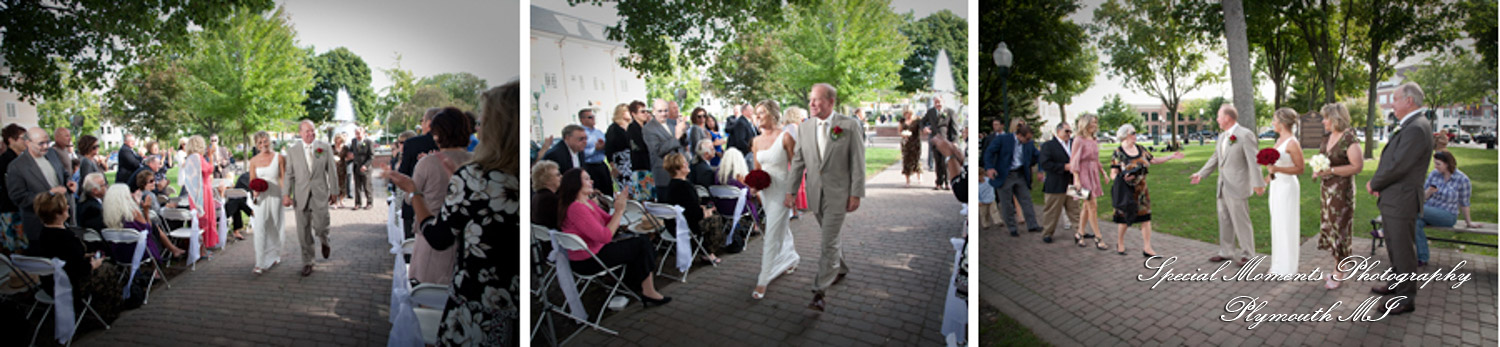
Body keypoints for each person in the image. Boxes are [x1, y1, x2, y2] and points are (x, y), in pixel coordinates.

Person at [386, 83, 520, 344]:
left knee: (426, 301)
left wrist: (414, 193)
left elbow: (439, 235)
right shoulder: (500, 171)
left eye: (484, 121)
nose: (479, 128)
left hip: (476, 293)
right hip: (512, 294)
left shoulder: (473, 174)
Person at [786, 83, 865, 311]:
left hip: (839, 195)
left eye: (817, 99)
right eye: (810, 99)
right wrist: (791, 191)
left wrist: (856, 193)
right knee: (830, 237)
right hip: (815, 194)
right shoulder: (805, 127)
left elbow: (858, 162)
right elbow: (799, 161)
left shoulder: (848, 126)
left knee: (828, 241)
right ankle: (841, 268)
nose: (811, 103)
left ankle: (819, 291)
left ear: (831, 102)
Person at [552, 168, 672, 310]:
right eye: (586, 179)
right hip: (588, 259)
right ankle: (647, 290)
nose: (591, 181)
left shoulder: (586, 203)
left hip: (594, 252)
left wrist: (618, 208)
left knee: (641, 243)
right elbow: (605, 236)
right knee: (642, 244)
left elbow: (610, 221)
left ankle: (636, 285)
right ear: (575, 183)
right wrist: (620, 210)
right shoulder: (576, 208)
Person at [1366, 82, 1433, 315]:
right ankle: (1396, 283)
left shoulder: (1416, 127)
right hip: (1395, 197)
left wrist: (1375, 183)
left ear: (1409, 101)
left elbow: (1398, 165)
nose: (1391, 104)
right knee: (1394, 244)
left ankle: (1405, 298)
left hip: (1402, 199)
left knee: (1403, 248)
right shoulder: (1413, 125)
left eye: (1394, 99)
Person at [24, 191, 124, 319]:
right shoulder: (65, 237)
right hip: (70, 284)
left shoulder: (44, 233)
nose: (68, 207)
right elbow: (80, 269)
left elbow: (66, 258)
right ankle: (107, 312)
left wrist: (84, 255)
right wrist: (95, 263)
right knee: (109, 268)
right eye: (65, 206)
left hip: (49, 283)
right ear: (58, 213)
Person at [402, 109, 474, 285]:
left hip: (432, 234)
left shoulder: (428, 162)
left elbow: (409, 197)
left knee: (427, 295)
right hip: (469, 240)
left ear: (437, 134)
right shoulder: (476, 161)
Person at [1191, 104, 1264, 266]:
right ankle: (1226, 252)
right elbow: (1215, 158)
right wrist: (1201, 174)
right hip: (1222, 186)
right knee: (1224, 219)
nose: (1216, 119)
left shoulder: (1245, 135)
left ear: (1227, 118)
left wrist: (1258, 183)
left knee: (1241, 221)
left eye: (1218, 116)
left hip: (1238, 186)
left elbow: (1254, 161)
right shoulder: (1223, 137)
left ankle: (1248, 254)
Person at [1112, 124, 1185, 257]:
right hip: (1127, 192)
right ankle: (1120, 243)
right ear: (1125, 135)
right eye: (1133, 133)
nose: (1135, 135)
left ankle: (1147, 248)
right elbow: (1113, 173)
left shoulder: (1141, 149)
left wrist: (1171, 156)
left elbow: (1154, 160)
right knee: (1124, 220)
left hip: (1142, 191)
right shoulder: (1119, 152)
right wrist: (1124, 177)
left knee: (1145, 219)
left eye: (1135, 133)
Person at [1313, 104, 1365, 289]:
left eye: (1325, 118)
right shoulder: (1327, 137)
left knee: (1340, 229)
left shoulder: (1349, 138)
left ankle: (1339, 271)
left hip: (1341, 193)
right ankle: (1336, 266)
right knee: (1331, 228)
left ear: (1335, 118)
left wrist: (1331, 170)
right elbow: (1322, 158)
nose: (1323, 121)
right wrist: (1317, 170)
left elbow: (1357, 166)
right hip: (1326, 190)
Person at [284, 120, 338, 277]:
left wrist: (334, 191)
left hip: (320, 194)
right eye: (307, 131)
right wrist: (286, 194)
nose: (310, 134)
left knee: (321, 226)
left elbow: (332, 171)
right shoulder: (293, 150)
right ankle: (308, 262)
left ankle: (325, 240)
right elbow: (289, 174)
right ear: (300, 133)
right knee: (303, 231)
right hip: (300, 196)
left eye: (312, 131)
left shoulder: (324, 147)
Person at [8, 127, 76, 243]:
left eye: (47, 142)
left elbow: (62, 173)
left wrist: (69, 182)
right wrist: (48, 194)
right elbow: (18, 197)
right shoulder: (16, 166)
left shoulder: (52, 154)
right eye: (41, 143)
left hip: (63, 219)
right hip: (39, 225)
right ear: (28, 143)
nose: (46, 146)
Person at [1418, 151, 1478, 266]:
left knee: (1412, 209)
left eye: (1438, 164)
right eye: (1435, 163)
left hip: (1447, 215)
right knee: (1415, 222)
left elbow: (1464, 203)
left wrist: (1469, 222)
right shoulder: (1434, 174)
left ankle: (1385, 230)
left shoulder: (1462, 180)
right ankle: (1422, 258)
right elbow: (1423, 198)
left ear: (1447, 164)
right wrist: (1429, 191)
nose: (1435, 166)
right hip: (1428, 211)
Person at [983, 119, 1041, 237]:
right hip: (1004, 175)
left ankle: (1032, 225)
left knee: (1027, 200)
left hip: (1020, 174)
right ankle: (1012, 228)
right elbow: (989, 152)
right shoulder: (1003, 139)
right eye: (1027, 138)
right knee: (1007, 204)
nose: (1029, 141)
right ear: (1019, 135)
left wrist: (1041, 169)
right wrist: (989, 168)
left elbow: (1039, 156)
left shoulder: (1028, 144)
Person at [1266, 108, 1305, 275]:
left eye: (1274, 120)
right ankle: (1278, 264)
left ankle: (1287, 268)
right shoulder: (1280, 140)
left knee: (1286, 225)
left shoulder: (1292, 143)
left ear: (1282, 123)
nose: (1272, 123)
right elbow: (1273, 168)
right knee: (1277, 225)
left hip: (1287, 187)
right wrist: (1265, 182)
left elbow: (1300, 168)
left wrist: (1277, 168)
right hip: (1276, 186)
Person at [662, 153, 721, 264]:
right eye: (684, 163)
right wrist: (707, 212)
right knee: (715, 218)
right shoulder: (686, 186)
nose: (687, 164)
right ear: (678, 168)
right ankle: (708, 252)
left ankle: (705, 251)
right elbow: (695, 215)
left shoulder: (671, 185)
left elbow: (687, 207)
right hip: (685, 226)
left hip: (672, 225)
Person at [104, 183, 180, 261]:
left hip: (119, 254)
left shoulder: (108, 215)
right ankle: (157, 266)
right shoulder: (134, 213)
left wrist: (137, 203)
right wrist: (146, 210)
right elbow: (149, 230)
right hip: (140, 252)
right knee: (152, 232)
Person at [245, 132, 286, 275]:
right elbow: (252, 180)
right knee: (260, 228)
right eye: (260, 143)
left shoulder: (279, 158)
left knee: (275, 226)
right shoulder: (254, 161)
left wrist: (286, 195)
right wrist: (255, 191)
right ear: (257, 145)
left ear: (270, 141)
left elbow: (282, 178)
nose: (263, 145)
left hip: (275, 196)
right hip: (261, 198)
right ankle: (260, 262)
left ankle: (275, 254)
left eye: (265, 141)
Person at [398, 108, 441, 238]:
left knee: (412, 247)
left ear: (428, 123)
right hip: (442, 205)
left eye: (422, 121)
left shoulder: (412, 143)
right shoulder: (452, 145)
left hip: (416, 202)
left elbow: (403, 173)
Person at [1038, 120, 1081, 245]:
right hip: (1055, 184)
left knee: (1075, 210)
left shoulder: (1074, 144)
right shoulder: (1048, 146)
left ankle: (1079, 232)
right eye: (1066, 131)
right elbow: (1045, 164)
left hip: (1073, 182)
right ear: (1058, 131)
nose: (1069, 134)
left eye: (1070, 131)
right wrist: (1064, 167)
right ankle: (1047, 233)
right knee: (1052, 211)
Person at [1067, 116, 1105, 249]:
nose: (1095, 125)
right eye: (1093, 122)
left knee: (1086, 207)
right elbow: (1074, 162)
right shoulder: (1078, 140)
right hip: (1083, 175)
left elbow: (1096, 159)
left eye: (1096, 122)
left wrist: (1103, 173)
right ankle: (1098, 237)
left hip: (1093, 174)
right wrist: (1076, 179)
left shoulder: (1093, 140)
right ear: (1086, 124)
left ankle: (1080, 234)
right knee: (1092, 206)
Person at [179, 136, 220, 254]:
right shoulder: (198, 158)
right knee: (206, 218)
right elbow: (209, 170)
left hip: (194, 192)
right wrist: (211, 156)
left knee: (198, 218)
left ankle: (200, 247)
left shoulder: (189, 158)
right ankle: (204, 247)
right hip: (203, 190)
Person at [645, 99, 685, 198]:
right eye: (660, 111)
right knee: (666, 208)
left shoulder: (672, 123)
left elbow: (683, 143)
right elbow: (658, 150)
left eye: (666, 110)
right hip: (663, 175)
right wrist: (676, 137)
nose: (663, 114)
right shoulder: (648, 128)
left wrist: (683, 132)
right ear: (653, 111)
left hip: (679, 173)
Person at [0, 124, 29, 252]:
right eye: (23, 138)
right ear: (11, 140)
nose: (26, 141)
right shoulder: (6, 161)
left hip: (18, 208)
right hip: (11, 209)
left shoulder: (19, 159)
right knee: (16, 248)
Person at [625, 101, 657, 201]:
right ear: (633, 114)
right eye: (642, 112)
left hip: (650, 164)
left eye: (646, 111)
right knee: (643, 196)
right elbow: (643, 145)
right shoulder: (632, 128)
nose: (646, 114)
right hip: (640, 166)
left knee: (652, 196)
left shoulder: (647, 126)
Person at [578, 108, 613, 195]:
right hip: (589, 166)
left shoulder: (599, 132)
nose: (593, 119)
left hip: (601, 164)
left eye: (593, 117)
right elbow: (580, 152)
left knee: (607, 190)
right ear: (582, 120)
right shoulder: (581, 134)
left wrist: (604, 147)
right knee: (594, 192)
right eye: (590, 117)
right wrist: (594, 150)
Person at [925, 99, 957, 190]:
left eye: (939, 102)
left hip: (946, 141)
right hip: (935, 141)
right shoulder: (930, 112)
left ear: (944, 102)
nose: (938, 104)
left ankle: (947, 182)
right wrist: (925, 128)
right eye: (936, 102)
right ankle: (938, 182)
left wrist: (955, 141)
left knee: (945, 162)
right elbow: (922, 122)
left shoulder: (950, 112)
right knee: (937, 162)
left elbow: (954, 127)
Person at [604, 104, 634, 199]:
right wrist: (613, 166)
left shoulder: (631, 127)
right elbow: (609, 149)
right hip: (621, 162)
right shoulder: (614, 129)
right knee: (626, 189)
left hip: (632, 161)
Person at [348, 128, 375, 210]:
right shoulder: (353, 141)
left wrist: (365, 166)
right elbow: (351, 151)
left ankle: (369, 203)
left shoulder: (369, 142)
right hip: (356, 167)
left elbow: (371, 156)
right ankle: (358, 203)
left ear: (364, 133)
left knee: (367, 186)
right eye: (356, 134)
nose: (358, 136)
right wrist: (350, 154)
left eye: (359, 134)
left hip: (365, 168)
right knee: (357, 187)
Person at [531, 160, 562, 230]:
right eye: (558, 175)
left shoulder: (537, 196)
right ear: (547, 180)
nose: (561, 177)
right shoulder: (550, 199)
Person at [899, 109, 923, 187]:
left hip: (915, 142)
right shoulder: (902, 121)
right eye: (906, 113)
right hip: (906, 143)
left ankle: (919, 177)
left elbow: (922, 128)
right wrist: (903, 134)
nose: (908, 115)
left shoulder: (917, 121)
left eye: (909, 113)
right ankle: (907, 180)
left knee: (917, 159)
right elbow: (899, 131)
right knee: (906, 160)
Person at [332, 134, 349, 209]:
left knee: (342, 184)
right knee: (335, 185)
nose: (338, 141)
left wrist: (348, 158)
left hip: (342, 167)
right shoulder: (332, 147)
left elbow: (348, 157)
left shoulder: (345, 148)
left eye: (340, 139)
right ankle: (335, 202)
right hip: (334, 167)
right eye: (337, 139)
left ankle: (341, 200)